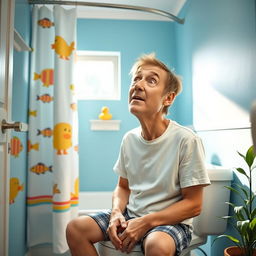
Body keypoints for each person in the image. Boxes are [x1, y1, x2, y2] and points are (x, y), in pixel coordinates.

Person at [66, 53, 211, 256]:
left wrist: (145, 222)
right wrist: (117, 212)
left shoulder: (186, 140)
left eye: (151, 80)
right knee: (75, 229)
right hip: (131, 214)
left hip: (170, 224)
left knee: (157, 246)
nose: (138, 85)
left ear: (168, 98)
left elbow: (194, 205)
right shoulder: (129, 139)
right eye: (136, 79)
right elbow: (122, 187)